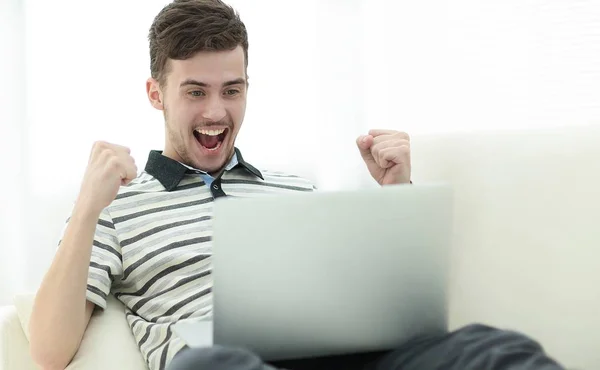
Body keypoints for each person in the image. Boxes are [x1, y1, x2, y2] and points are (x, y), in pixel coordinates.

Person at [28, 1, 566, 370]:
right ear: (155, 93)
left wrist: (398, 193)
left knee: (491, 348)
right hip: (224, 361)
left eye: (232, 89)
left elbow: (380, 310)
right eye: (195, 91)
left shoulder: (294, 191)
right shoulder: (116, 208)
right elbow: (51, 352)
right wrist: (86, 208)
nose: (217, 111)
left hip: (347, 359)